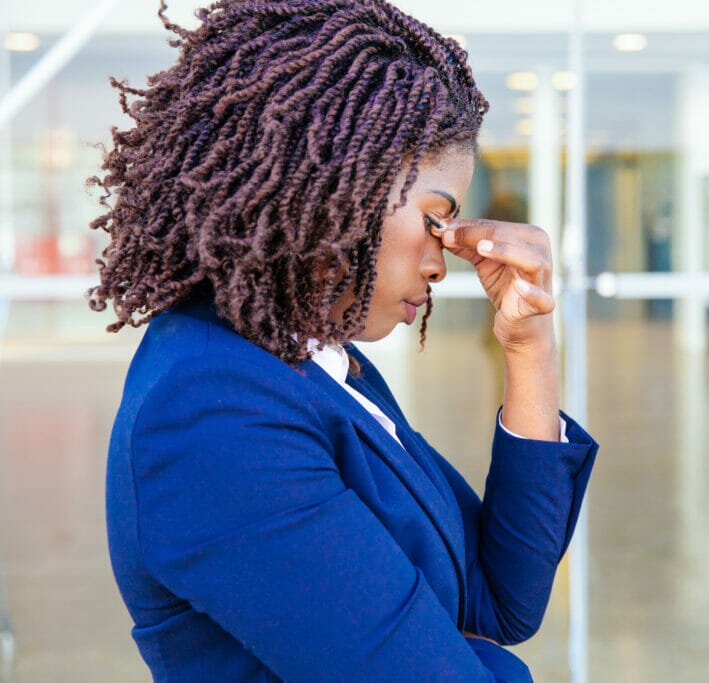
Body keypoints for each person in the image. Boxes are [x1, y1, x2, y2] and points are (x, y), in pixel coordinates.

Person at [87, 1, 599, 681]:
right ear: (333, 185)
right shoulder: (212, 408)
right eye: (435, 220)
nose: (442, 263)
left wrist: (531, 347)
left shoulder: (315, 361)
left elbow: (499, 601)